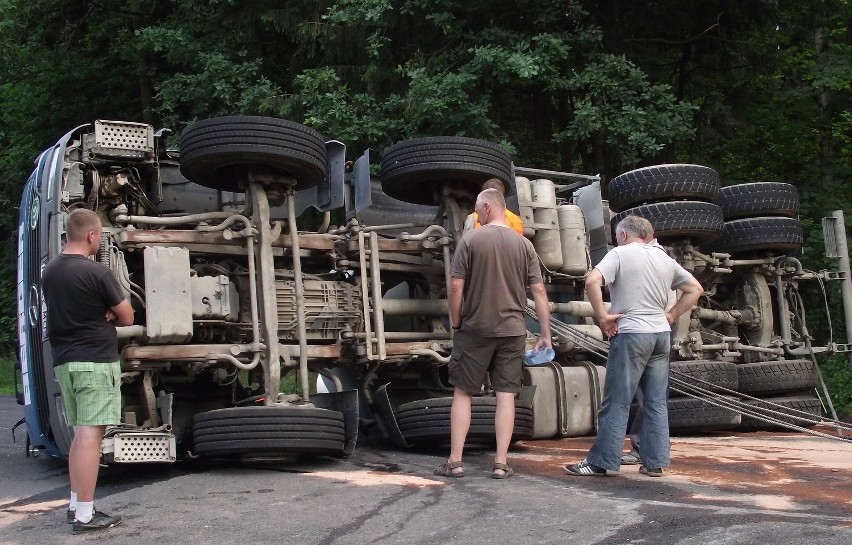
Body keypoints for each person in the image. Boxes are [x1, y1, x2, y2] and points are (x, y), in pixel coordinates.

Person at [565, 215, 703, 477]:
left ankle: (600, 462)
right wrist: (672, 314)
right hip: (661, 335)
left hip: (631, 334)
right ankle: (654, 463)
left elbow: (592, 281)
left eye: (618, 236)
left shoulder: (620, 254)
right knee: (655, 402)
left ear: (625, 235)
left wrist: (602, 317)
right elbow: (695, 288)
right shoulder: (664, 258)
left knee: (617, 401)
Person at [434, 188, 551, 480]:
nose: (476, 215)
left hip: (474, 328)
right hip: (512, 331)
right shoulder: (525, 245)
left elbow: (456, 286)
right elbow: (538, 291)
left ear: (487, 208)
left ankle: (455, 461)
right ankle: (500, 463)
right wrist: (545, 333)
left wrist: (456, 320)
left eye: (477, 210)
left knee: (463, 392)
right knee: (506, 395)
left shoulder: (471, 239)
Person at [42, 208, 133, 533]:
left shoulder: (50, 271)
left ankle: (75, 503)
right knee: (89, 436)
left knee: (80, 436)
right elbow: (127, 316)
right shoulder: (97, 273)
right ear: (92, 235)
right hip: (94, 361)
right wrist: (108, 311)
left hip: (66, 361)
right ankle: (85, 515)